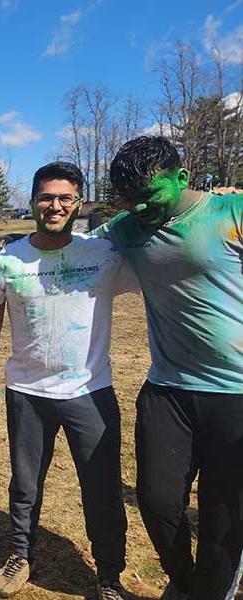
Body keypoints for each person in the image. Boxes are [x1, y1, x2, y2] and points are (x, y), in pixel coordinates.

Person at [0, 162, 134, 600]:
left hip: (90, 391)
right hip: (27, 392)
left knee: (101, 486)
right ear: (32, 201)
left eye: (65, 197)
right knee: (25, 485)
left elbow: (153, 242)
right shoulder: (6, 258)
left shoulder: (103, 253)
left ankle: (108, 574)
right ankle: (20, 556)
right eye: (46, 196)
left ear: (79, 203)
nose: (55, 205)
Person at [96, 137, 243, 600]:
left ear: (182, 177)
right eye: (128, 197)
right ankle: (186, 582)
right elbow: (70, 250)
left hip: (238, 392)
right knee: (157, 501)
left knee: (224, 513)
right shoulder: (125, 227)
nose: (140, 205)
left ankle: (212, 588)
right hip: (169, 388)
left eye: (150, 193)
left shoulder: (230, 212)